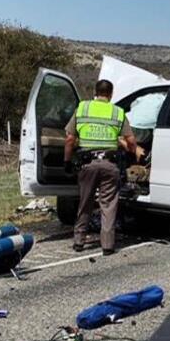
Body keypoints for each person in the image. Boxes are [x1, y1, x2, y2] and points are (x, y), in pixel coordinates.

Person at [64, 79, 145, 255]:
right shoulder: (117, 112)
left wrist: (67, 161)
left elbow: (70, 139)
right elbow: (131, 141)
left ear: (95, 92)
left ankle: (79, 242)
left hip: (87, 164)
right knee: (108, 205)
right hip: (110, 164)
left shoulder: (83, 108)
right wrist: (132, 156)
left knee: (85, 202)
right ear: (110, 94)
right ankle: (107, 246)